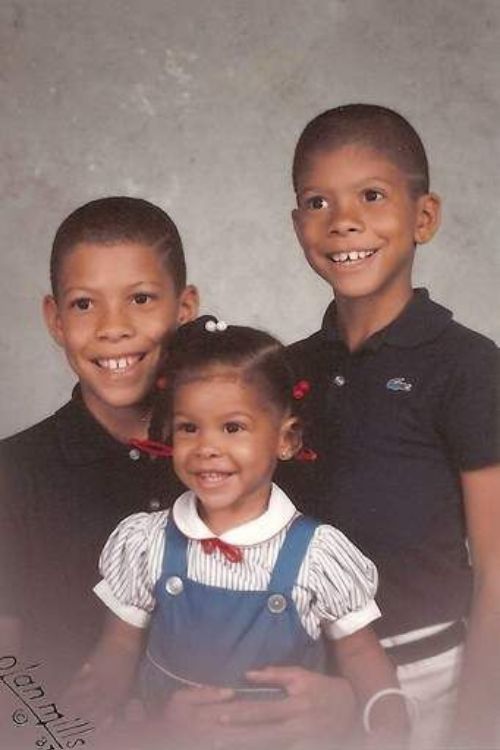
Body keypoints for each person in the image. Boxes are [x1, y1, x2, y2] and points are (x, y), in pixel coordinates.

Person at [71, 318, 410, 749]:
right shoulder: (147, 542)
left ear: (286, 439)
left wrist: (389, 727)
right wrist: (96, 717)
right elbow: (117, 648)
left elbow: (362, 655)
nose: (207, 447)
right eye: (189, 427)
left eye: (232, 427)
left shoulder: (317, 553)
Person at [274, 103, 500, 749]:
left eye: (371, 196)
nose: (343, 220)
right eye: (318, 202)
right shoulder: (286, 370)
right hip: (311, 680)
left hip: (430, 676)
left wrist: (478, 726)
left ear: (422, 216)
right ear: (297, 224)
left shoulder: (468, 367)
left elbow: (496, 568)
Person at [0, 196, 199, 697]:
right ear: (55, 319)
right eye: (84, 303)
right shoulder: (13, 476)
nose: (113, 327)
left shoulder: (241, 458)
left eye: (141, 299)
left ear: (186, 308)